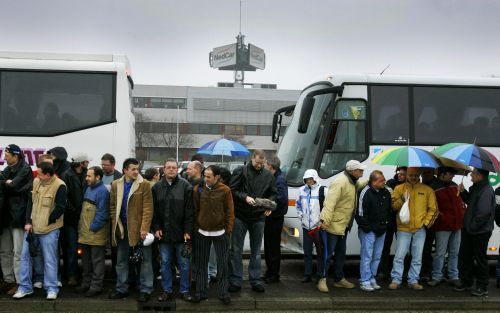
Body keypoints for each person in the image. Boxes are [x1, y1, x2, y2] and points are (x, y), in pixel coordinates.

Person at [13, 162, 66, 300]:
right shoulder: (36, 181)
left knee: (50, 260)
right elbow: (31, 202)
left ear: (48, 175)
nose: (37, 175)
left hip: (50, 230)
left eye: (40, 173)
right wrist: (28, 222)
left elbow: (60, 208)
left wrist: (47, 221)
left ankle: (52, 288)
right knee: (25, 257)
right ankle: (24, 287)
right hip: (33, 228)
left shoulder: (60, 186)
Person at [229, 150, 277, 293]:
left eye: (262, 164)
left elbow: (273, 193)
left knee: (256, 252)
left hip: (258, 217)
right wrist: (245, 197)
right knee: (236, 250)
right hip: (240, 215)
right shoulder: (240, 171)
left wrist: (270, 206)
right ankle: (235, 280)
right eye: (257, 163)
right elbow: (232, 190)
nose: (259, 166)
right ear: (252, 159)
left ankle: (255, 280)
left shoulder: (268, 175)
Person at [109, 158, 154, 302]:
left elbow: (148, 209)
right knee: (121, 260)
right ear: (125, 170)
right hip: (122, 229)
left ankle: (146, 289)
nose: (136, 171)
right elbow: (112, 206)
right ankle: (122, 289)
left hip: (140, 230)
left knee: (145, 260)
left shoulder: (144, 184)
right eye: (133, 169)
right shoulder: (116, 184)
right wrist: (115, 223)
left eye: (137, 169)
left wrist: (144, 230)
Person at [319, 160, 367, 291]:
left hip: (343, 225)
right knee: (327, 255)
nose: (362, 172)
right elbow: (330, 202)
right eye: (360, 170)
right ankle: (321, 279)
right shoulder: (340, 182)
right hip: (333, 225)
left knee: (340, 254)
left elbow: (358, 186)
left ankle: (339, 279)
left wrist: (371, 180)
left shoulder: (352, 181)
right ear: (353, 171)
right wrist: (324, 220)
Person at [389, 167, 438, 291]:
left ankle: (413, 280)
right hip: (403, 229)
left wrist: (425, 224)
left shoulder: (427, 190)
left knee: (417, 257)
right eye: (411, 175)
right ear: (406, 175)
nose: (413, 177)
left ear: (419, 175)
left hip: (419, 229)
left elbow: (433, 209)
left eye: (416, 175)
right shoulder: (399, 189)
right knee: (399, 256)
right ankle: (396, 279)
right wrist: (401, 199)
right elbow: (393, 207)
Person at [152, 159, 194, 302]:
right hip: (164, 234)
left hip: (182, 234)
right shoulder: (156, 188)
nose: (171, 170)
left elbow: (190, 212)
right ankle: (166, 291)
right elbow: (154, 212)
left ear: (177, 170)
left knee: (184, 264)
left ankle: (185, 290)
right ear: (163, 170)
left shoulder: (186, 186)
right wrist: (156, 228)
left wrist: (188, 231)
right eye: (168, 167)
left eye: (173, 168)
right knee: (165, 263)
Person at [192, 165, 234, 304]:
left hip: (220, 232)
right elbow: (195, 209)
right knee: (201, 264)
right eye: (205, 176)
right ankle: (201, 292)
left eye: (209, 176)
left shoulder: (225, 190)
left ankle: (223, 293)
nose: (206, 179)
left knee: (222, 264)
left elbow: (229, 211)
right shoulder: (198, 189)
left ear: (217, 177)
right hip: (202, 232)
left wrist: (228, 230)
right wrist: (196, 228)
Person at [455, 168, 496, 296]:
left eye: (473, 173)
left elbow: (483, 213)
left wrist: (472, 227)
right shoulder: (477, 187)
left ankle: (482, 286)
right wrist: (462, 193)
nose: (471, 175)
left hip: (479, 231)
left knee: (480, 258)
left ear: (479, 175)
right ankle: (466, 282)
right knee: (465, 256)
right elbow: (471, 202)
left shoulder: (486, 190)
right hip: (470, 229)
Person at [1, 144, 34, 295]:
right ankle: (8, 280)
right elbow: (4, 182)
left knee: (18, 252)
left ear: (16, 156)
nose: (5, 158)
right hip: (7, 215)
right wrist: (6, 182)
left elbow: (14, 186)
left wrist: (9, 183)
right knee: (5, 251)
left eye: (7, 156)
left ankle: (20, 282)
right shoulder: (9, 168)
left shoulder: (25, 169)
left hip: (18, 215)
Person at [427, 167, 465, 287]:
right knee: (440, 252)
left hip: (456, 224)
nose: (453, 176)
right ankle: (437, 276)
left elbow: (461, 202)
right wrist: (441, 217)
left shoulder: (455, 186)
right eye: (450, 174)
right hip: (442, 225)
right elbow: (432, 207)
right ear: (442, 174)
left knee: (454, 252)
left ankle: (453, 276)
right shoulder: (433, 187)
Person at [75, 166, 110, 297]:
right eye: (86, 176)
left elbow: (103, 214)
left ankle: (96, 286)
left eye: (89, 176)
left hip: (95, 233)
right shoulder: (89, 188)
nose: (86, 178)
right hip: (85, 233)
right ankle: (86, 284)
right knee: (86, 261)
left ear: (98, 177)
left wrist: (92, 228)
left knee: (97, 261)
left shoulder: (102, 192)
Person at [356, 170, 391, 292]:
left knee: (376, 256)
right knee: (367, 256)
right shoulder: (365, 192)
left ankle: (371, 277)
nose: (384, 181)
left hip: (381, 229)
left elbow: (388, 211)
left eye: (384, 179)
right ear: (374, 181)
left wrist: (385, 224)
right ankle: (364, 280)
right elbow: (360, 213)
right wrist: (368, 228)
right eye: (381, 180)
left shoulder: (386, 192)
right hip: (368, 230)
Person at [60, 152, 91, 287]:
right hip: (71, 218)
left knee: (86, 248)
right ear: (81, 163)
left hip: (85, 217)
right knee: (71, 248)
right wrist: (73, 210)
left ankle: (86, 276)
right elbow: (64, 196)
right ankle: (72, 275)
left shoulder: (88, 174)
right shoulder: (66, 175)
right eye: (86, 161)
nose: (88, 164)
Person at [296, 169, 327, 289]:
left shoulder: (323, 190)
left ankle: (320, 274)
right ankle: (307, 274)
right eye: (306, 179)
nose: (308, 181)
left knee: (320, 252)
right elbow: (298, 204)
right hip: (306, 227)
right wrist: (300, 215)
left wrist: (322, 221)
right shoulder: (301, 190)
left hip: (318, 227)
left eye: (310, 179)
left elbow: (327, 207)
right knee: (307, 252)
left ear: (315, 178)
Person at [378, 167, 407, 280]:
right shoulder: (390, 183)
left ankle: (402, 272)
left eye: (403, 174)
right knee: (385, 246)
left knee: (402, 248)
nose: (400, 176)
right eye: (399, 173)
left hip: (403, 221)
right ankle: (383, 271)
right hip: (390, 220)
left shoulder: (409, 186)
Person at [263, 155, 288, 284]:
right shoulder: (275, 178)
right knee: (268, 245)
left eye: (266, 165)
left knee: (273, 247)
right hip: (271, 217)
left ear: (271, 167)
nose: (264, 167)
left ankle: (274, 274)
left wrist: (268, 204)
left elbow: (282, 199)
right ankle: (269, 272)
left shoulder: (280, 180)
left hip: (275, 218)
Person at [420, 167, 438, 282]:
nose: (424, 175)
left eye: (427, 173)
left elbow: (433, 208)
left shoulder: (435, 186)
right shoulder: (420, 185)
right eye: (423, 173)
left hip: (430, 224)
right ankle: (422, 272)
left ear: (433, 173)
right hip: (420, 224)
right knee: (419, 250)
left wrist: (427, 223)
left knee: (427, 249)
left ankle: (427, 272)